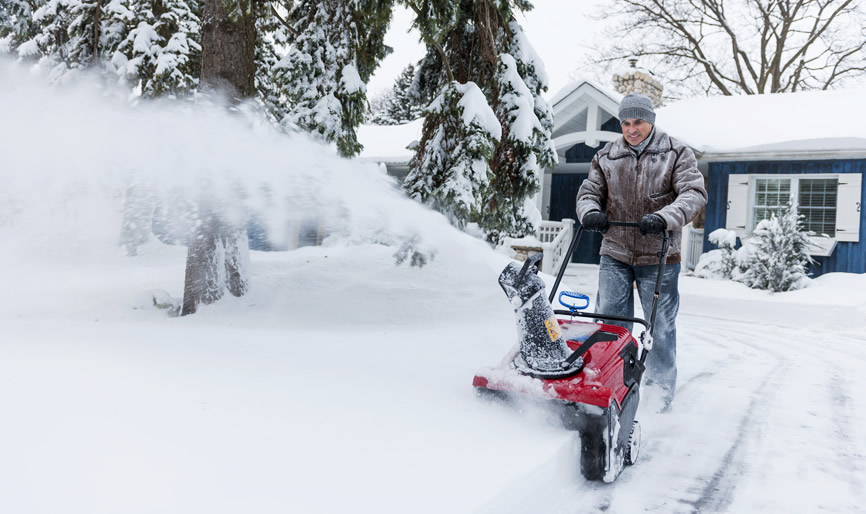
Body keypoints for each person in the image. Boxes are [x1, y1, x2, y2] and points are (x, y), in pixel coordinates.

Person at [575, 93, 707, 412]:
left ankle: (659, 398)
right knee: (610, 324)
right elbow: (589, 193)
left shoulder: (676, 153)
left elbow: (694, 193)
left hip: (659, 255)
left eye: (639, 122)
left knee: (659, 328)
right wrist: (589, 211)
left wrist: (664, 217)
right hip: (615, 252)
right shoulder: (607, 156)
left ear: (651, 120)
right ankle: (608, 387)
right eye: (626, 123)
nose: (632, 129)